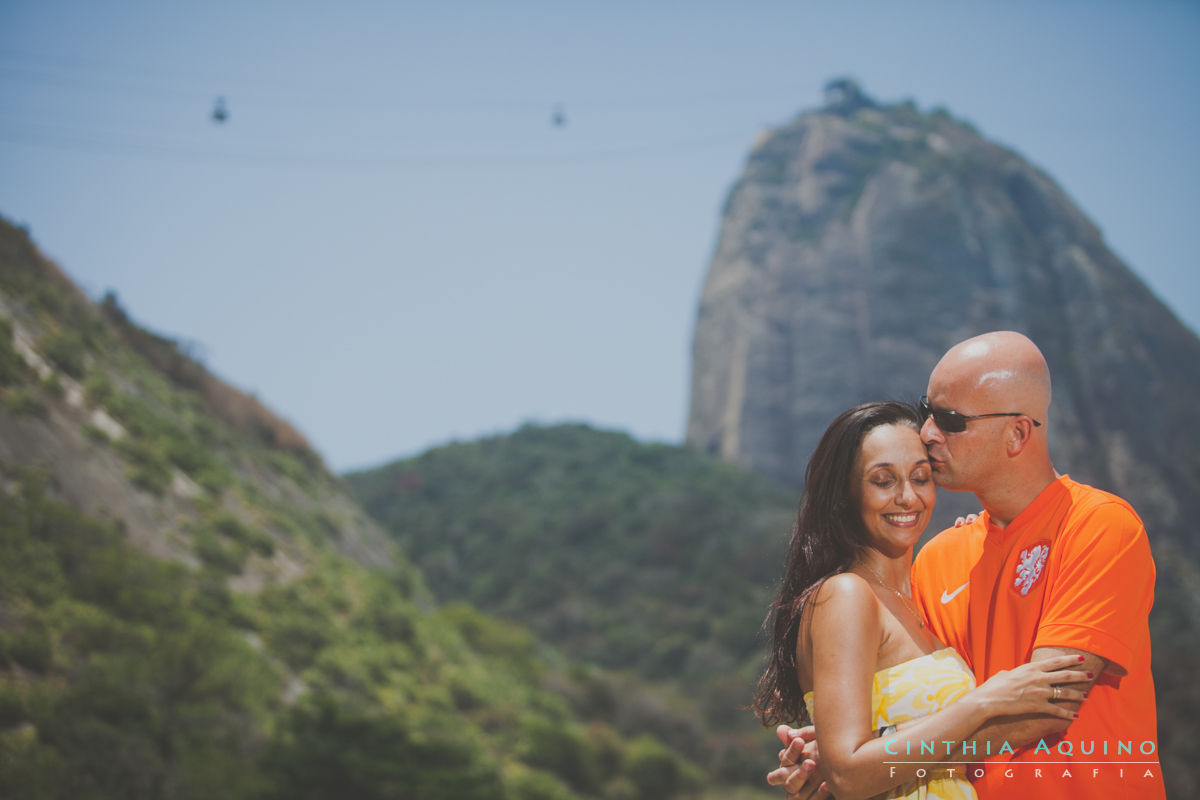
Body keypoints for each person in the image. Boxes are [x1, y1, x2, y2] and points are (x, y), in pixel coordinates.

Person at [770, 332, 1164, 799]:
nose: (929, 432)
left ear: (1018, 433)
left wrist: (871, 758)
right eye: (928, 411)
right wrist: (856, 753)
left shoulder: (1099, 526)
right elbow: (930, 703)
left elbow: (1042, 709)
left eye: (952, 420)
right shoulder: (935, 559)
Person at [753, 400, 1088, 800]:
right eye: (883, 480)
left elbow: (860, 753)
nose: (907, 497)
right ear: (845, 494)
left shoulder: (917, 598)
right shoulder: (846, 594)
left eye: (920, 476)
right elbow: (849, 775)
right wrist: (981, 703)